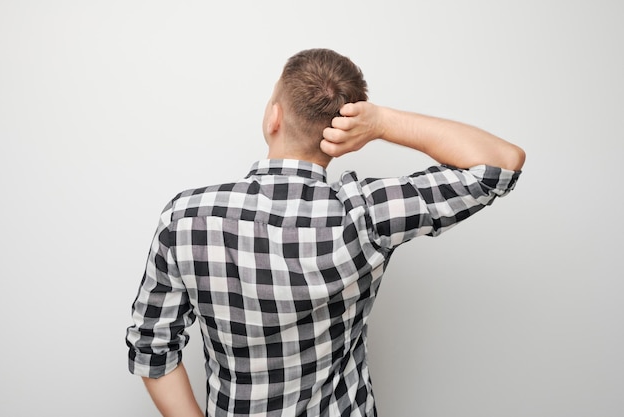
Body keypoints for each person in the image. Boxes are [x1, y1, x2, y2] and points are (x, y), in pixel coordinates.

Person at [126, 48, 525, 417]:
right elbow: (502, 164)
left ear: (273, 117)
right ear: (342, 137)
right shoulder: (366, 212)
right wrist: (384, 123)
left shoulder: (188, 218)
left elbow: (152, 347)